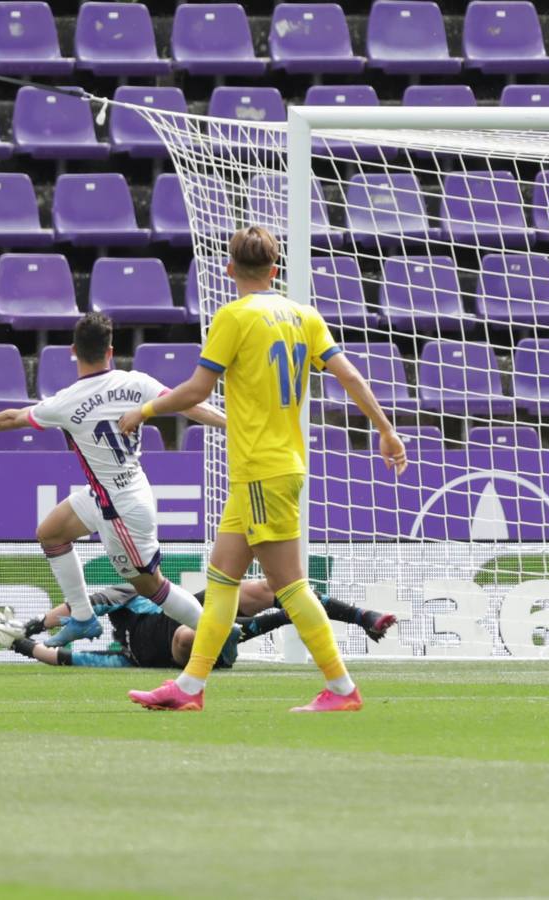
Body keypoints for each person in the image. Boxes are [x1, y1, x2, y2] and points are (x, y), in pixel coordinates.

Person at [118, 226, 407, 712]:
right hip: (277, 466)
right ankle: (189, 688)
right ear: (276, 270)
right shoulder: (303, 315)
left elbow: (195, 391)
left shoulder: (233, 317)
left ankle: (341, 689)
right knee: (223, 579)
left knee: (289, 587)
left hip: (259, 470)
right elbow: (349, 374)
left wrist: (144, 412)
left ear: (229, 270)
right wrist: (385, 429)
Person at [0, 311, 226, 648]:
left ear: (73, 350)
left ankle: (217, 634)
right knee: (51, 533)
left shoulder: (67, 400)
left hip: (120, 509)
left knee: (152, 587)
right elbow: (191, 405)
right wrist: (231, 424)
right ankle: (83, 617)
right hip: (110, 494)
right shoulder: (137, 383)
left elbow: (13, 417)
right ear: (110, 349)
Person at [0, 580, 397, 670]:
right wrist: (19, 645)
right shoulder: (122, 656)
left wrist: (32, 625)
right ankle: (245, 629)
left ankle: (361, 617)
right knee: (187, 637)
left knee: (260, 589)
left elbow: (83, 605)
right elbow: (63, 658)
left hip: (194, 615)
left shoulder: (128, 594)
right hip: (195, 647)